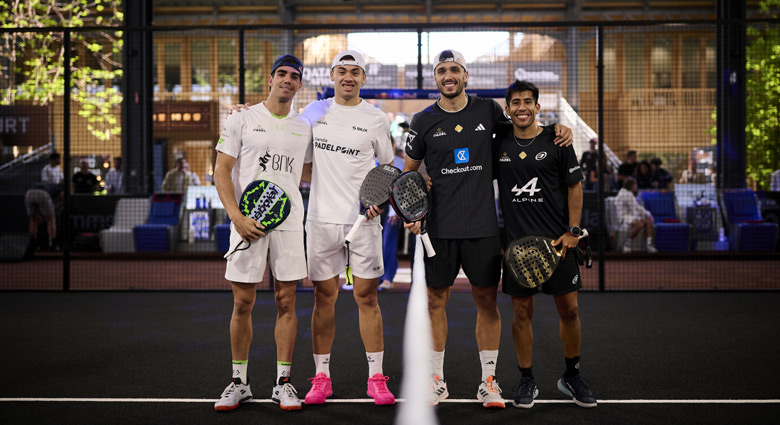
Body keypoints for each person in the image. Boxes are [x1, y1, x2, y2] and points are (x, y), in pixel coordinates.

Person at [403, 49, 573, 409]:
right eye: (441, 71)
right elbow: (409, 173)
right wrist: (416, 202)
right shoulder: (421, 120)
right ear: (436, 78)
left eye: (455, 70)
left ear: (466, 75)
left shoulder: (489, 110)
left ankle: (489, 381)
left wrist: (557, 127)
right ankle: (437, 380)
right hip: (439, 228)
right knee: (436, 302)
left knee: (487, 302)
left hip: (483, 227)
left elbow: (524, 129)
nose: (448, 76)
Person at [212, 54, 311, 412]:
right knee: (243, 302)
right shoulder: (242, 118)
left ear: (299, 85)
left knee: (287, 301)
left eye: (294, 76)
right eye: (282, 74)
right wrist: (236, 217)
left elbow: (313, 173)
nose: (287, 80)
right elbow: (221, 171)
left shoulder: (305, 127)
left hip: (288, 224)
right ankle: (239, 382)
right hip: (247, 223)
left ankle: (283, 382)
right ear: (270, 79)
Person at [300, 50, 396, 406]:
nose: (348, 77)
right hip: (321, 221)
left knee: (366, 298)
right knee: (323, 298)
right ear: (332, 75)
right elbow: (301, 160)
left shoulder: (375, 118)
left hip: (364, 223)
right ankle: (321, 377)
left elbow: (388, 170)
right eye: (342, 71)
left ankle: (376, 379)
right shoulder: (314, 112)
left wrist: (379, 201)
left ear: (363, 79)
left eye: (355, 72)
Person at [495, 79, 596, 409]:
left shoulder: (558, 141)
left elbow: (575, 187)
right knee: (521, 314)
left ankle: (572, 375)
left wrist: (574, 230)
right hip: (518, 248)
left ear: (538, 107)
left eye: (528, 101)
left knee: (570, 310)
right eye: (515, 102)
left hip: (559, 244)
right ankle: (526, 379)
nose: (522, 107)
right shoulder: (498, 144)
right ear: (507, 109)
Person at [378, 142, 407, 291]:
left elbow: (403, 188)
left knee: (388, 244)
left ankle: (387, 277)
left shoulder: (400, 162)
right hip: (374, 208)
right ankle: (376, 279)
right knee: (373, 245)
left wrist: (395, 211)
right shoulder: (372, 162)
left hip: (392, 209)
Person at [614, 177, 657, 253]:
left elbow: (635, 209)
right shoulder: (627, 194)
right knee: (639, 224)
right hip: (624, 218)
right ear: (632, 186)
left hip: (630, 216)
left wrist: (646, 216)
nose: (636, 186)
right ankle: (627, 245)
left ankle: (649, 245)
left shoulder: (626, 193)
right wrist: (648, 214)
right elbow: (636, 208)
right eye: (635, 185)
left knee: (648, 221)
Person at [25, 182, 63, 251]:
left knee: (33, 220)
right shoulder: (58, 187)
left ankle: (32, 243)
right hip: (42, 194)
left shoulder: (44, 184)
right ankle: (52, 244)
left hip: (29, 193)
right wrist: (60, 205)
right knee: (51, 219)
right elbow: (63, 197)